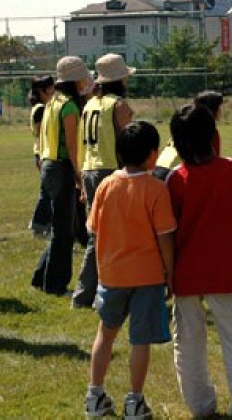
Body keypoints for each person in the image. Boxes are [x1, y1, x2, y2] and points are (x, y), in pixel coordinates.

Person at [166, 104, 232, 418]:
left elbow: (169, 229)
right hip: (223, 271)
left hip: (185, 274)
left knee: (189, 343)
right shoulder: (230, 169)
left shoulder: (175, 180)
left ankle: (200, 404)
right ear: (212, 135)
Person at [84, 121, 176, 420]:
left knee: (105, 334)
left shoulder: (106, 185)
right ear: (152, 155)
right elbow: (165, 237)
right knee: (140, 340)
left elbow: (94, 230)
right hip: (147, 276)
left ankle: (94, 394)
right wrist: (170, 272)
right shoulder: (155, 189)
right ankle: (134, 401)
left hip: (111, 275)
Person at [72, 54, 136, 310]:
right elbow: (128, 140)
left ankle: (92, 292)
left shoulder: (90, 104)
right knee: (105, 236)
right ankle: (89, 293)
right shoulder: (117, 105)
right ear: (119, 78)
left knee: (97, 233)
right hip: (109, 169)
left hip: (89, 169)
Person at [32, 56, 89, 297]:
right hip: (63, 167)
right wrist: (79, 177)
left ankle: (41, 276)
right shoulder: (70, 106)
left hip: (48, 165)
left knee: (61, 227)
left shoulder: (52, 102)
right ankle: (55, 284)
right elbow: (74, 147)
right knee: (64, 230)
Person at [153, 90, 226, 180]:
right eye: (219, 107)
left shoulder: (186, 123)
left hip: (158, 167)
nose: (221, 110)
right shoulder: (208, 131)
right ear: (213, 108)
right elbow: (212, 164)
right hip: (175, 171)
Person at [27, 74, 55, 238]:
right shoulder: (41, 109)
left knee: (49, 190)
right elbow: (39, 130)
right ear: (43, 91)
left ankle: (46, 223)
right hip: (42, 153)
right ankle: (38, 224)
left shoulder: (42, 107)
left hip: (43, 152)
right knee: (47, 191)